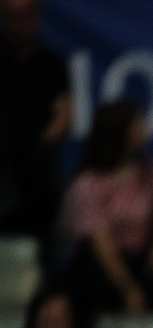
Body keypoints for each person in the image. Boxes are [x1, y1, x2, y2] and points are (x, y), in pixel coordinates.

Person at [58, 98, 153, 319]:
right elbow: (100, 242)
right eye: (138, 125)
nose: (145, 130)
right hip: (102, 266)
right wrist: (128, 289)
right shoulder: (87, 184)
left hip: (142, 259)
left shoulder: (149, 173)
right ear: (121, 132)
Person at [0, 0, 70, 240]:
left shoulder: (52, 65)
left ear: (38, 17)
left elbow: (63, 119)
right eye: (11, 17)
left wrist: (36, 146)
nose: (18, 25)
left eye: (24, 16)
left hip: (36, 180)